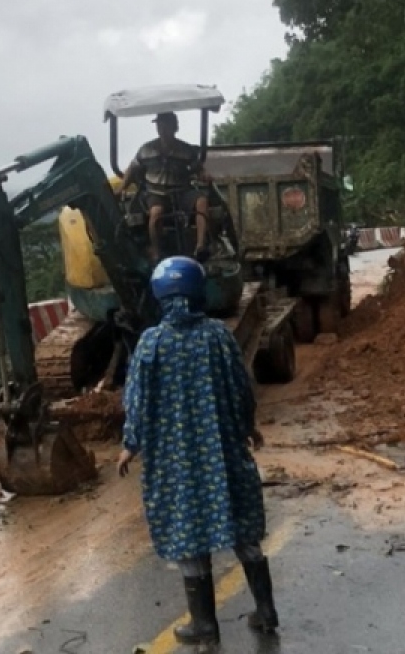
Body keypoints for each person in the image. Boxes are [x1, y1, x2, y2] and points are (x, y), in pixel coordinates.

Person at [117, 256, 278, 644]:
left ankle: (205, 624)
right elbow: (241, 387)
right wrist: (248, 428)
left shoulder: (151, 343)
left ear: (159, 295)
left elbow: (136, 401)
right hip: (222, 451)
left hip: (175, 460)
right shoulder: (218, 336)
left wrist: (129, 445)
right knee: (242, 527)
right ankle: (267, 610)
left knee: (186, 531)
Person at [118, 111, 211, 261]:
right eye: (159, 125)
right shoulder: (146, 149)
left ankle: (200, 245)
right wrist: (122, 187)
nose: (162, 128)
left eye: (166, 125)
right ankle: (156, 250)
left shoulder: (186, 149)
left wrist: (204, 175)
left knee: (202, 201)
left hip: (181, 191)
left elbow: (198, 169)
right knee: (155, 213)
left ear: (175, 127)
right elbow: (133, 168)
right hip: (156, 192)